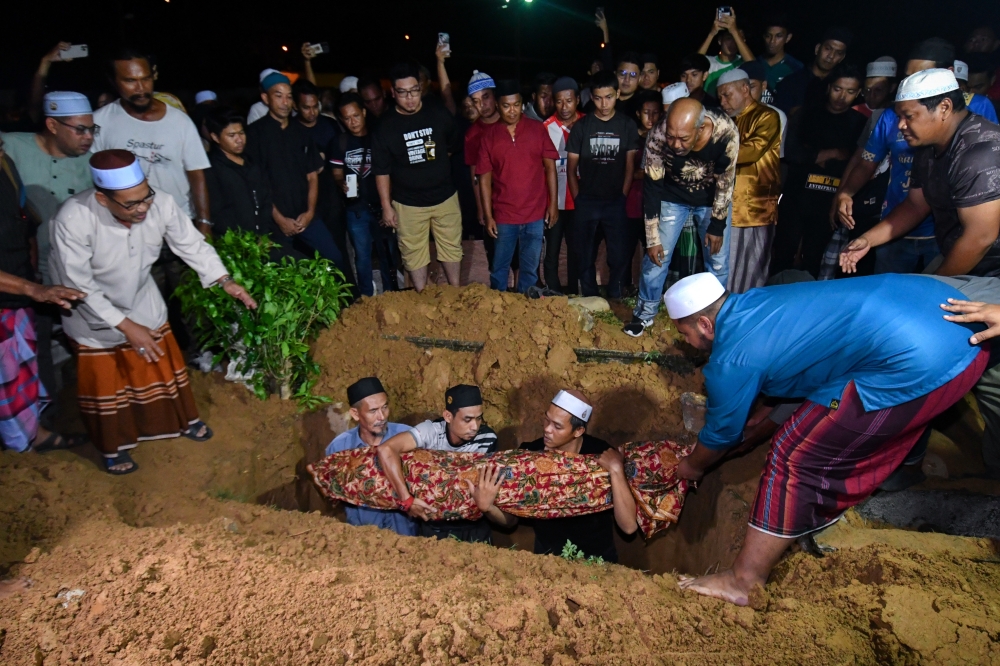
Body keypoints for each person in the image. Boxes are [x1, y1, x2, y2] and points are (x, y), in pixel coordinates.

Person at [666, 272, 988, 605]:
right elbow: (809, 358)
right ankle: (906, 471)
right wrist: (770, 413)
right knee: (868, 408)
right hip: (957, 329)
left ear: (704, 324)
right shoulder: (760, 301)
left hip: (921, 361)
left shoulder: (730, 358)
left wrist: (692, 466)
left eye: (685, 333)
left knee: (793, 453)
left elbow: (722, 433)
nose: (688, 343)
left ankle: (743, 581)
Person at [48, 150, 256, 474]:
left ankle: (182, 422)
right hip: (93, 315)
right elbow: (79, 285)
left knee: (161, 367)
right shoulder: (73, 219)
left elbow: (191, 244)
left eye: (145, 197)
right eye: (131, 204)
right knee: (108, 383)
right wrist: (126, 326)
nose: (143, 207)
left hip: (141, 300)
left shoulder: (160, 203)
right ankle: (113, 449)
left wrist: (224, 280)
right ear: (103, 199)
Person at [834, 41, 999, 275]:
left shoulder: (979, 151)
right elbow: (915, 205)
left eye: (909, 116)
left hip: (991, 273)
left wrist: (934, 286)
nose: (901, 126)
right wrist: (868, 239)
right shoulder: (927, 147)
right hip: (960, 257)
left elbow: (980, 238)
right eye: (899, 116)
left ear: (944, 107)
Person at [2, 92, 95, 407]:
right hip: (29, 271)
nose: (88, 137)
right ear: (52, 125)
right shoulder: (11, 147)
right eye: (80, 129)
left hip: (77, 271)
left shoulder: (93, 161)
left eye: (91, 129)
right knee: (36, 344)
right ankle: (45, 410)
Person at [470, 390, 637, 562]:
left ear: (578, 430)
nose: (547, 429)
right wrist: (489, 507)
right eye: (546, 420)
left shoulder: (601, 455)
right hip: (548, 564)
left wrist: (616, 470)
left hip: (597, 564)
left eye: (557, 426)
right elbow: (511, 520)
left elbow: (629, 527)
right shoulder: (528, 455)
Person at [0, 137, 87, 454]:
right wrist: (33, 289)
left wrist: (31, 273)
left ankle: (34, 436)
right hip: (16, 290)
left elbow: (24, 217)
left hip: (16, 290)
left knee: (19, 374)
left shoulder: (5, 164)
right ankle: (19, 453)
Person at [624, 98, 738, 337]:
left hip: (710, 201)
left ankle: (717, 320)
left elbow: (726, 183)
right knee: (656, 259)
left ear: (701, 128)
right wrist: (653, 238)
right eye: (671, 137)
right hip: (671, 198)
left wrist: (717, 225)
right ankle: (644, 315)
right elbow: (652, 186)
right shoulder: (658, 134)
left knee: (717, 262)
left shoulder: (725, 132)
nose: (675, 144)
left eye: (683, 138)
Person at [245, 72, 353, 280]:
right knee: (285, 273)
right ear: (266, 98)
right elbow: (256, 185)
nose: (285, 102)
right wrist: (279, 219)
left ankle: (341, 307)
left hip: (306, 216)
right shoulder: (254, 135)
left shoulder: (301, 132)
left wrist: (310, 212)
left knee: (334, 258)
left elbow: (313, 175)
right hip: (276, 221)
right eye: (278, 96)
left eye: (288, 96)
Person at [92, 48, 211, 231]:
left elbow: (197, 174)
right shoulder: (100, 122)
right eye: (130, 81)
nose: (140, 88)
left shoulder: (179, 121)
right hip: (125, 227)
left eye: (145, 79)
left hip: (178, 223)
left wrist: (204, 223)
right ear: (113, 81)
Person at [373, 63, 463, 292]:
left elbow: (452, 144)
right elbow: (381, 170)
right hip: (407, 202)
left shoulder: (437, 112)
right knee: (413, 253)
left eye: (414, 90)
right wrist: (386, 206)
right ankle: (421, 295)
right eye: (403, 92)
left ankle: (454, 291)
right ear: (393, 92)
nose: (410, 98)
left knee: (451, 246)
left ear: (421, 87)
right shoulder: (385, 126)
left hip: (445, 197)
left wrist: (434, 168)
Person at [772, 64, 865, 278]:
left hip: (828, 204)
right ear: (828, 87)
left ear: (858, 93)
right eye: (838, 89)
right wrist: (832, 153)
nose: (842, 97)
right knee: (783, 255)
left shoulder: (859, 123)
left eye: (850, 92)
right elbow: (792, 154)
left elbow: (855, 163)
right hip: (795, 198)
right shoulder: (805, 114)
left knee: (815, 260)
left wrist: (814, 156)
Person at [376, 384, 498, 543]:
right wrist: (406, 499)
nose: (475, 426)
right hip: (433, 527)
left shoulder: (487, 439)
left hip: (473, 528)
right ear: (448, 416)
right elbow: (386, 449)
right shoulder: (431, 431)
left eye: (479, 418)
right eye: (467, 419)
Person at [477, 80, 559, 293]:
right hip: (504, 215)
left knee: (530, 269)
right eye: (506, 106)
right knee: (499, 268)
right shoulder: (489, 137)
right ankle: (500, 309)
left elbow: (550, 168)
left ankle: (527, 310)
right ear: (497, 105)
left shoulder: (536, 130)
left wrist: (553, 205)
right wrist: (489, 216)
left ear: (522, 104)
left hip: (534, 214)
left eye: (516, 105)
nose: (512, 111)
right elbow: (484, 180)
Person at [566, 70, 640, 299]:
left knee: (618, 254)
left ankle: (615, 294)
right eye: (598, 98)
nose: (604, 103)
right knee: (584, 253)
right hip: (587, 199)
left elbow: (630, 165)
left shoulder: (627, 125)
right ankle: (589, 296)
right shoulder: (581, 127)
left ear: (617, 94)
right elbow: (571, 168)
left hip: (615, 200)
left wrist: (623, 194)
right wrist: (578, 197)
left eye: (608, 96)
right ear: (591, 97)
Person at [716, 70, 781, 293]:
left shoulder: (766, 116)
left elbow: (750, 152)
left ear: (745, 89)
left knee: (751, 273)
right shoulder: (724, 121)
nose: (723, 102)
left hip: (755, 208)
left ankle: (745, 319)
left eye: (727, 95)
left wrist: (711, 153)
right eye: (720, 97)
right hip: (726, 207)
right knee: (725, 269)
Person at [324, 377, 416, 535]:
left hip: (406, 539)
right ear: (355, 413)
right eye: (373, 411)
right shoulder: (339, 448)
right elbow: (332, 495)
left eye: (385, 407)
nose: (382, 416)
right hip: (363, 541)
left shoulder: (408, 437)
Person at [331, 93, 401, 296]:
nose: (352, 122)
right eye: (347, 118)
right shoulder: (340, 142)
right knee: (362, 256)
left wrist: (388, 205)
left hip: (381, 206)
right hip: (356, 209)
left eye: (356, 115)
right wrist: (340, 183)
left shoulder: (378, 136)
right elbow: (336, 172)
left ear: (363, 112)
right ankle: (366, 298)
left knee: (388, 253)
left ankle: (391, 294)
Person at [203, 106, 289, 256]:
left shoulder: (251, 163)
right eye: (231, 135)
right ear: (215, 137)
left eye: (241, 133)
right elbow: (217, 213)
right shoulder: (211, 169)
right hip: (235, 247)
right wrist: (245, 242)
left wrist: (262, 234)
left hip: (262, 241)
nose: (239, 140)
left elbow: (264, 201)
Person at [542, 77, 586, 293]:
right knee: (552, 250)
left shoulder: (588, 123)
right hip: (555, 202)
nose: (564, 106)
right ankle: (553, 292)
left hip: (580, 201)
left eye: (569, 101)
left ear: (577, 99)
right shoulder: (545, 128)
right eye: (559, 101)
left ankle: (574, 292)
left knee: (576, 250)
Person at [625, 90, 664, 287]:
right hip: (632, 203)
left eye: (656, 112)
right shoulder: (630, 137)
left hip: (656, 206)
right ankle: (623, 289)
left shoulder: (666, 138)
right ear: (638, 113)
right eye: (646, 112)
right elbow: (627, 172)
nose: (651, 117)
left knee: (655, 249)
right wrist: (652, 171)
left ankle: (651, 290)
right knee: (625, 252)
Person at [464, 70, 501, 266]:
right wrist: (481, 208)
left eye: (485, 97)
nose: (482, 105)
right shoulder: (472, 134)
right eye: (476, 100)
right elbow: (475, 173)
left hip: (517, 200)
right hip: (491, 201)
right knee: (495, 250)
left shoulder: (511, 122)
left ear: (494, 95)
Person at [774, 27, 851, 115]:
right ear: (817, 48)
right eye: (828, 48)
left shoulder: (841, 87)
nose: (831, 56)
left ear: (842, 58)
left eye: (838, 53)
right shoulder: (791, 82)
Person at [697, 8, 756, 97]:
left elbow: (754, 67)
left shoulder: (742, 63)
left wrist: (734, 31)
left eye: (736, 38)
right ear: (720, 40)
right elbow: (694, 63)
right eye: (729, 38)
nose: (733, 43)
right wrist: (712, 33)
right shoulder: (709, 62)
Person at [739, 61, 787, 158]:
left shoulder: (777, 116)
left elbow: (776, 157)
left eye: (752, 87)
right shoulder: (729, 114)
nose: (747, 93)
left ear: (764, 86)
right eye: (742, 88)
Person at [758, 14, 802, 91]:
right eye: (768, 36)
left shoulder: (796, 68)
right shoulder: (755, 62)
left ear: (788, 38)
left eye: (778, 36)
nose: (772, 41)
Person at [614, 52, 645, 122]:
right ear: (615, 74)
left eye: (633, 75)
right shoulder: (602, 101)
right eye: (622, 74)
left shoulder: (643, 105)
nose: (627, 80)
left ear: (639, 78)